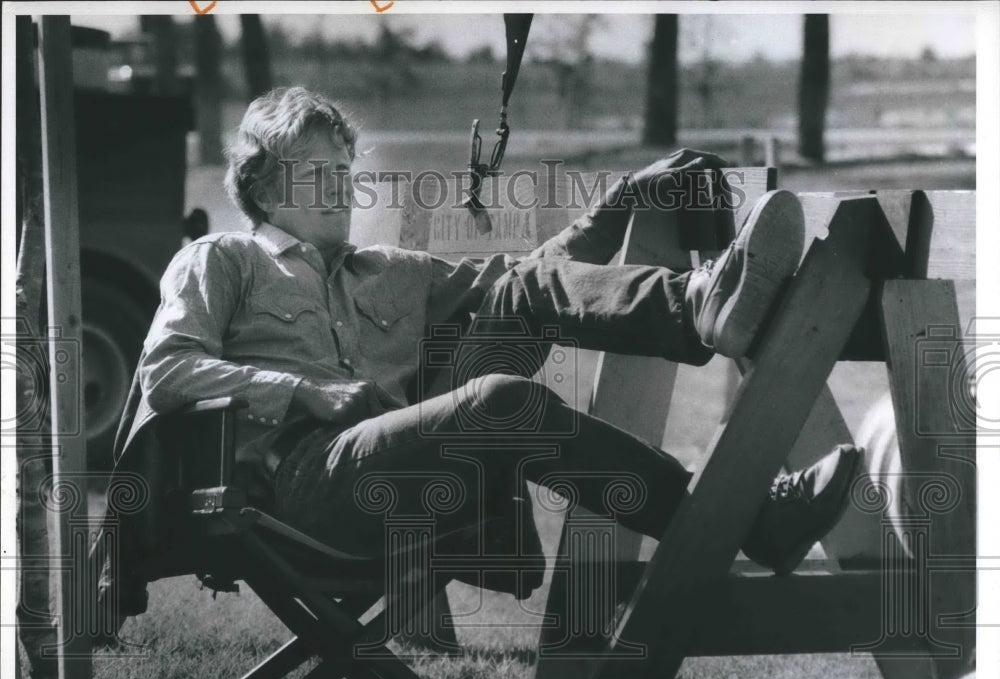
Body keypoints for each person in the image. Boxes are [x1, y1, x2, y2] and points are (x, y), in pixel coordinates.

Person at [114, 86, 860, 611]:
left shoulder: (385, 272)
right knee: (502, 400)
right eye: (320, 175)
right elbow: (166, 368)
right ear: (264, 185)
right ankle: (740, 514)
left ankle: (701, 307)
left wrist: (628, 195)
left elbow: (533, 276)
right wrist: (299, 389)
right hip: (302, 489)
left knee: (513, 289)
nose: (343, 190)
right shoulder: (221, 259)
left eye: (347, 173)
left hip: (406, 469)